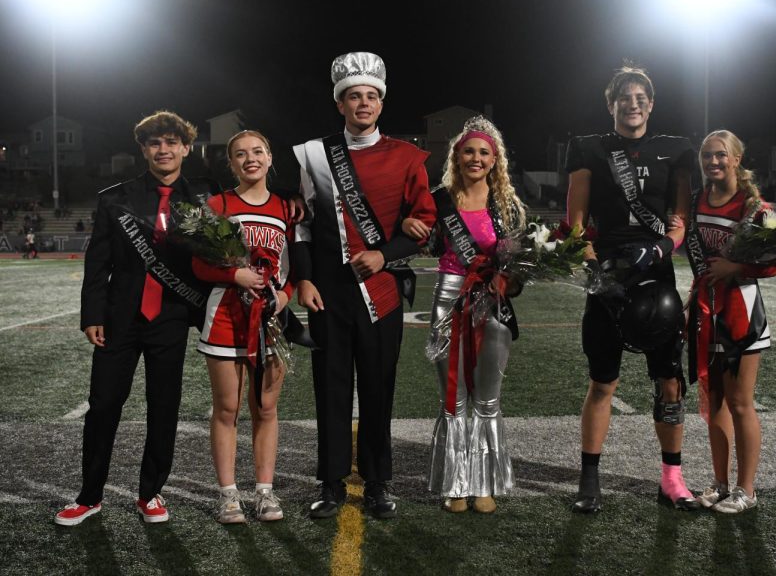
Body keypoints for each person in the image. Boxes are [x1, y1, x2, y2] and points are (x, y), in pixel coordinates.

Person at [292, 51, 437, 519]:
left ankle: (377, 482)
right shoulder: (315, 153)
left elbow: (424, 222)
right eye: (353, 96)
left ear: (381, 103)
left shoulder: (409, 157)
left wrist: (385, 253)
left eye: (371, 96)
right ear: (340, 104)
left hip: (382, 291)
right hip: (328, 292)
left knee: (379, 388)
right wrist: (304, 279)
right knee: (330, 388)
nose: (362, 104)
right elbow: (303, 226)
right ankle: (331, 483)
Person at [54, 110, 216, 526]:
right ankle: (89, 496)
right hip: (119, 318)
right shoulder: (115, 198)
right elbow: (98, 263)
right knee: (104, 405)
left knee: (164, 406)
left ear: (185, 147)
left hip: (172, 316)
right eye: (154, 143)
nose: (163, 149)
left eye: (171, 142)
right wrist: (92, 314)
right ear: (144, 150)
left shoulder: (205, 196)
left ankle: (151, 493)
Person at [566, 64, 699, 513]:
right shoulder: (589, 149)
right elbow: (576, 225)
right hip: (608, 273)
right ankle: (589, 480)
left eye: (642, 97)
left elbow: (680, 223)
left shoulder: (675, 151)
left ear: (652, 104)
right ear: (612, 104)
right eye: (625, 97)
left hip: (656, 273)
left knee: (669, 381)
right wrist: (596, 275)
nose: (634, 103)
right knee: (603, 381)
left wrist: (660, 249)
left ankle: (672, 479)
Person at [403, 116, 526, 514]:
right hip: (448, 299)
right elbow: (411, 233)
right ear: (457, 155)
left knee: (487, 399)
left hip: (491, 301)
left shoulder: (506, 206)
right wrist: (408, 223)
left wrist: (510, 279)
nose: (476, 158)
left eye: (484, 152)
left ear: (495, 160)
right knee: (452, 398)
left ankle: (484, 483)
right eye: (469, 150)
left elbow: (521, 267)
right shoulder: (437, 199)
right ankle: (455, 483)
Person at [192, 130, 295, 523]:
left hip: (270, 319)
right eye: (240, 154)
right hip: (225, 318)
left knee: (266, 408)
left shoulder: (288, 208)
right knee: (227, 408)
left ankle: (265, 493)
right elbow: (200, 263)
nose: (249, 159)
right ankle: (228, 495)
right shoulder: (217, 204)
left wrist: (283, 297)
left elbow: (292, 265)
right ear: (231, 163)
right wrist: (235, 275)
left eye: (257, 152)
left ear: (270, 158)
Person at [684, 130, 776, 513]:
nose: (713, 162)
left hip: (741, 309)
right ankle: (720, 483)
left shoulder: (754, 206)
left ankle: (747, 490)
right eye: (707, 156)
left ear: (737, 159)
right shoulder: (697, 200)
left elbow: (771, 263)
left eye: (721, 155)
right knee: (714, 400)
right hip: (707, 307)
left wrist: (735, 266)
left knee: (741, 403)